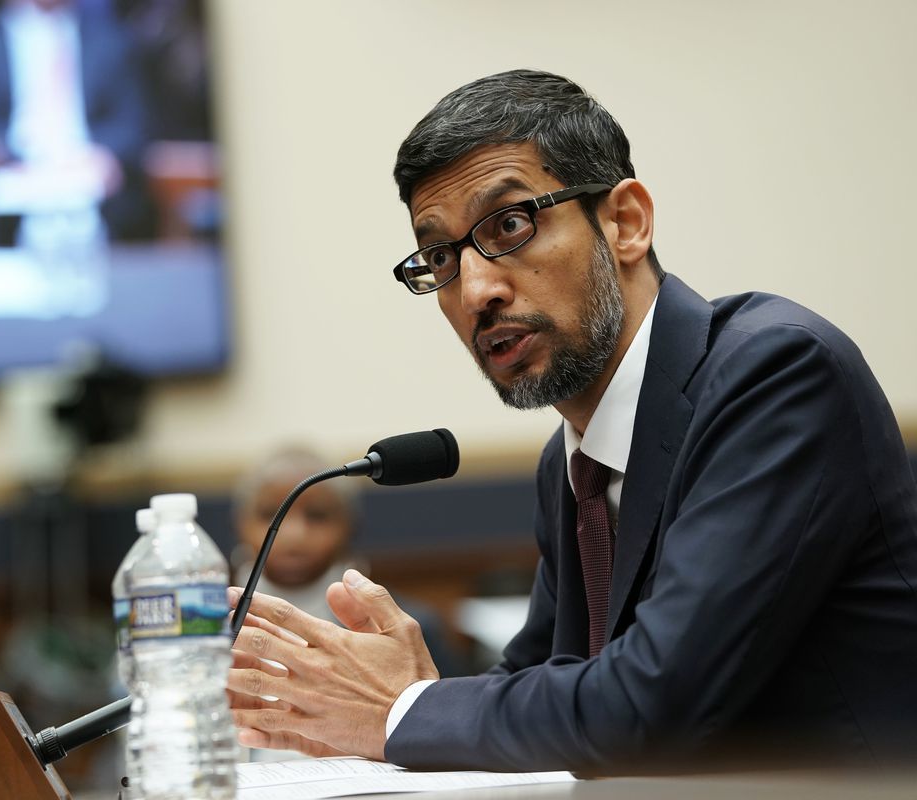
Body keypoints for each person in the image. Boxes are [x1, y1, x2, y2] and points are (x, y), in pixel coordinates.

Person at [225, 69, 917, 773]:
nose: (476, 291)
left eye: (511, 225)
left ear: (626, 223)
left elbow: (651, 703)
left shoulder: (776, 376)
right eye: (440, 256)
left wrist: (404, 710)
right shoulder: (573, 463)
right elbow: (545, 686)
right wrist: (394, 701)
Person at [231, 445, 467, 680]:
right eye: (270, 513)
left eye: (317, 515)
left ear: (350, 525)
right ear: (240, 523)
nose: (295, 535)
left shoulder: (408, 627)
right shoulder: (201, 621)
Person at [0, 0, 155, 240]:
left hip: (92, 179)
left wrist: (103, 155)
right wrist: (20, 158)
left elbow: (131, 125)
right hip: (13, 178)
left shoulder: (111, 39)